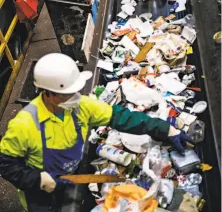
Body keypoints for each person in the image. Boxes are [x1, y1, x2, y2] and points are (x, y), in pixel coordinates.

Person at [0, 53, 192, 212]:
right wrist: (36, 180)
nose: (75, 97)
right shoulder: (24, 124)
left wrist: (165, 128)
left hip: (72, 176)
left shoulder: (80, 106)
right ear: (48, 93)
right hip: (41, 195)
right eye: (68, 93)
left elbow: (120, 117)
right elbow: (6, 163)